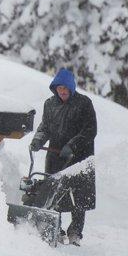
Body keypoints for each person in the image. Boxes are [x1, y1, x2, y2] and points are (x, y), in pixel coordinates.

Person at [28, 68, 97, 246]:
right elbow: (45, 127)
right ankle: (55, 228)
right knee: (53, 192)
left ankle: (75, 232)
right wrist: (37, 140)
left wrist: (72, 145)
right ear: (55, 88)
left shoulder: (84, 103)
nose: (62, 92)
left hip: (79, 156)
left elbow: (90, 130)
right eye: (59, 89)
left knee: (78, 197)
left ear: (72, 87)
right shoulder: (50, 104)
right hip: (56, 156)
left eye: (65, 89)